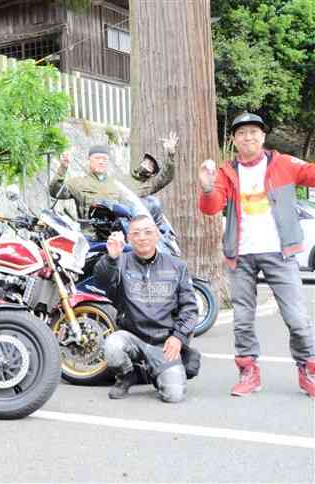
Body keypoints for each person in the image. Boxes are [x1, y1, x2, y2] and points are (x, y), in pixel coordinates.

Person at [198, 112, 315, 398]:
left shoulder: (284, 163)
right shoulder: (226, 171)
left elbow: (311, 175)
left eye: (253, 132)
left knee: (297, 317)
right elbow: (212, 208)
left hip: (280, 253)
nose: (248, 137)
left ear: (263, 137)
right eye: (241, 133)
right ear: (234, 140)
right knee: (242, 319)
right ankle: (248, 371)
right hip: (241, 256)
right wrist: (207, 187)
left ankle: (308, 369)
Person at [94, 215, 199, 403]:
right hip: (132, 337)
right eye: (136, 233)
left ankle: (151, 371)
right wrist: (111, 257)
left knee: (173, 396)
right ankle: (126, 375)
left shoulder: (177, 266)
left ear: (157, 235)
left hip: (164, 342)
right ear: (129, 238)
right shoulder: (120, 262)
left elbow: (190, 309)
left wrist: (178, 337)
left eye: (148, 232)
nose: (142, 237)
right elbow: (102, 281)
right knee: (112, 345)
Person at [49, 133, 179, 220]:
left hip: (117, 236)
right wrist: (63, 168)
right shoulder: (78, 183)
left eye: (104, 159)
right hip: (89, 236)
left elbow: (162, 179)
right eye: (97, 158)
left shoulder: (120, 183)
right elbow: (55, 192)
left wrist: (170, 155)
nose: (101, 161)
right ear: (89, 160)